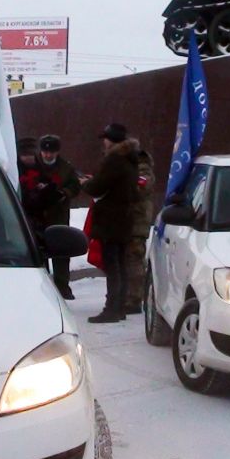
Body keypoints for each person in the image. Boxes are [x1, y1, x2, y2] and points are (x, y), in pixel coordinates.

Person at [79, 122, 139, 323]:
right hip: (123, 220)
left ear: (110, 140)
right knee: (119, 265)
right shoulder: (129, 159)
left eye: (105, 138)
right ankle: (119, 307)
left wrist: (86, 183)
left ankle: (111, 309)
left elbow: (98, 187)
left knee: (113, 266)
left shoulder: (114, 160)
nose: (103, 142)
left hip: (111, 221)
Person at [32, 134, 82, 300]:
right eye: (45, 152)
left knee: (61, 252)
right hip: (38, 215)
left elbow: (74, 186)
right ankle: (42, 285)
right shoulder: (33, 164)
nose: (47, 155)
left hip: (58, 215)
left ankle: (62, 286)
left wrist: (63, 193)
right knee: (39, 251)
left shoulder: (66, 168)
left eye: (51, 152)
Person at [123, 141, 155, 314]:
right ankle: (129, 296)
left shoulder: (143, 169)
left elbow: (140, 188)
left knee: (134, 261)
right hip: (132, 221)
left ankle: (135, 299)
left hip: (138, 222)